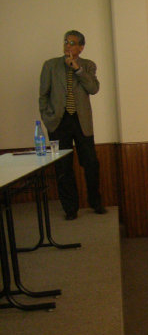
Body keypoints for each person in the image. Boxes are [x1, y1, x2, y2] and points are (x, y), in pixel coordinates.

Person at [39, 30, 104, 220]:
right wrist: (47, 117)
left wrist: (77, 69)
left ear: (81, 47)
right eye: (66, 42)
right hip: (59, 122)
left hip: (81, 121)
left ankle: (95, 201)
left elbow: (93, 88)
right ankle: (70, 208)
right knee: (63, 167)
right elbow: (43, 94)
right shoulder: (50, 65)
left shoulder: (88, 65)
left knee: (91, 163)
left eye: (73, 42)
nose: (68, 45)